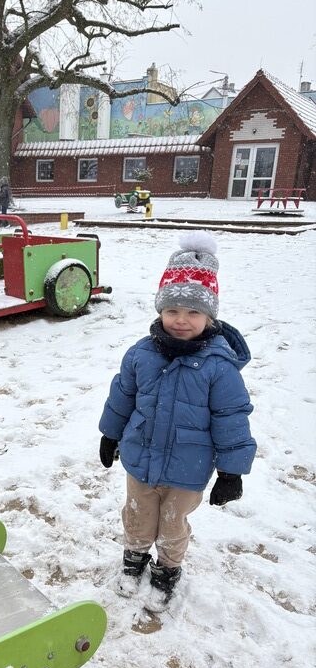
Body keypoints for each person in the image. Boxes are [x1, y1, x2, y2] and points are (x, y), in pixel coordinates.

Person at [98, 231, 256, 611]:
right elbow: (122, 396)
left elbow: (231, 418)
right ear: (160, 310)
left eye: (193, 312)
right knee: (137, 516)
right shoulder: (141, 354)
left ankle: (167, 569)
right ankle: (134, 557)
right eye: (172, 311)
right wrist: (110, 434)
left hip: (189, 467)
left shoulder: (220, 367)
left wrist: (231, 472)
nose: (181, 321)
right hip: (141, 459)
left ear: (209, 316)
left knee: (172, 524)